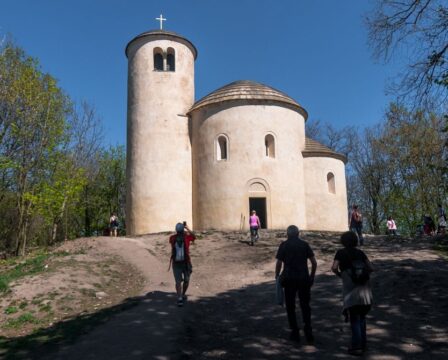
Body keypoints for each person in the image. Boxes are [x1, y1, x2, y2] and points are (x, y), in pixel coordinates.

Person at [332, 231, 373, 356]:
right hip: (364, 289)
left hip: (350, 289)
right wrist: (362, 275)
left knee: (354, 318)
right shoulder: (360, 253)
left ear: (343, 241)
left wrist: (341, 275)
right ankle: (363, 344)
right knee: (362, 317)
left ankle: (356, 347)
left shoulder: (340, 253)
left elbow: (334, 267)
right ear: (355, 241)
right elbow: (371, 268)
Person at [275, 225, 317, 344]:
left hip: (289, 279)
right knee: (305, 305)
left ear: (287, 234)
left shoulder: (284, 245)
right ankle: (308, 331)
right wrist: (312, 276)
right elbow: (314, 262)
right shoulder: (304, 244)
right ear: (298, 233)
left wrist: (277, 276)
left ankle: (295, 332)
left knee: (290, 306)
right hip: (303, 278)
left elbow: (279, 263)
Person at [169, 222, 196, 307]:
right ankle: (180, 297)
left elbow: (194, 237)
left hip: (181, 263)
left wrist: (185, 230)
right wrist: (187, 228)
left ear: (176, 230)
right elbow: (194, 236)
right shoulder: (185, 237)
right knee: (183, 281)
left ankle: (181, 295)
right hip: (182, 263)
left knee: (182, 281)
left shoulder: (172, 238)